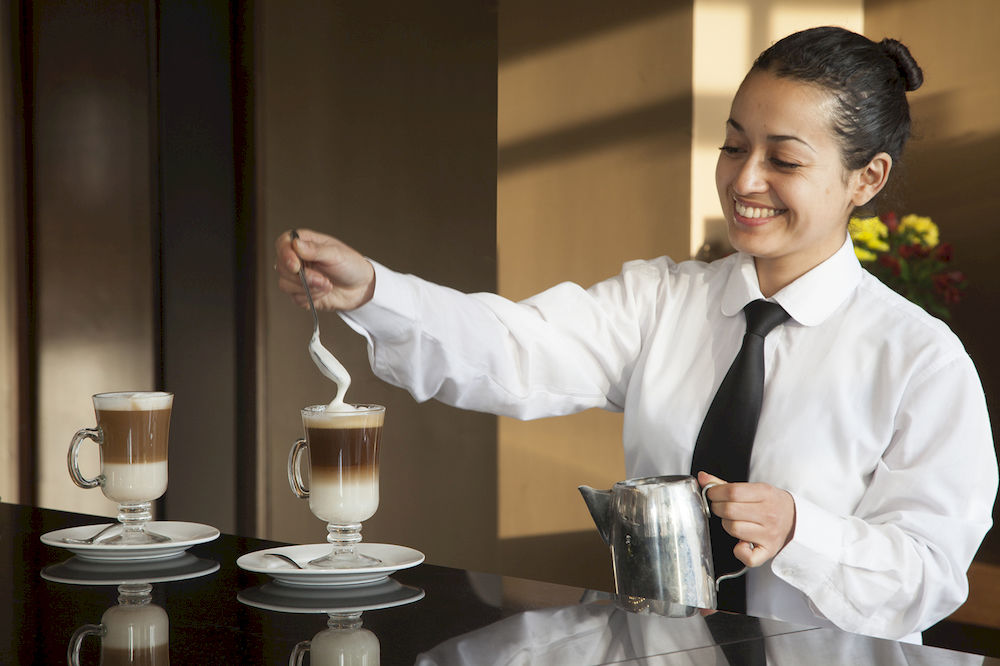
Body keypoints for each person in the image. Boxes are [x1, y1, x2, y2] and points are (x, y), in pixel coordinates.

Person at [275, 26, 996, 643]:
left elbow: (931, 577)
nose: (744, 180)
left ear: (866, 179)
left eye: (784, 160)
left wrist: (801, 529)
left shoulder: (919, 360)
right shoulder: (663, 300)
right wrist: (373, 290)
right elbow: (516, 348)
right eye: (732, 146)